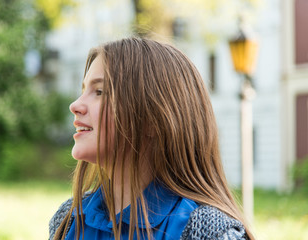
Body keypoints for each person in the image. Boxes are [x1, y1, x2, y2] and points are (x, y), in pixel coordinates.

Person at [49, 37, 254, 240]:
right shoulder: (67, 221)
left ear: (152, 120)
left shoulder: (207, 232)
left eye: (99, 91)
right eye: (84, 90)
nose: (75, 105)